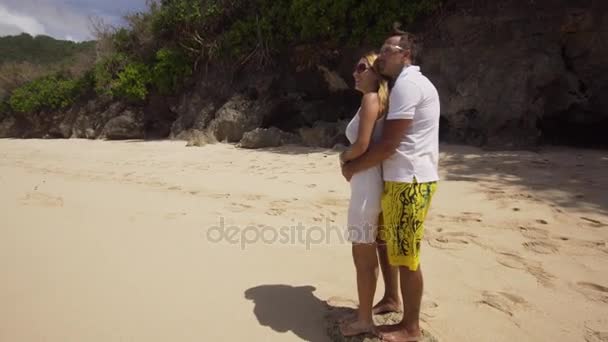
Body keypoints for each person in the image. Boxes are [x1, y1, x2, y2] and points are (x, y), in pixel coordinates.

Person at [341, 30, 440, 342]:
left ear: (406, 54)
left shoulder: (407, 86)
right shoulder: (400, 88)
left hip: (408, 180)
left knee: (405, 255)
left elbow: (387, 146)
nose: (383, 55)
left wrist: (349, 163)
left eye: (389, 50)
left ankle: (410, 328)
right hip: (396, 179)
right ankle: (392, 300)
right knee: (390, 247)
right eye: (381, 50)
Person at [337, 51, 390, 337]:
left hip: (367, 185)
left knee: (363, 255)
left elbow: (362, 145)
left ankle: (364, 319)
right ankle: (368, 311)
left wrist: (343, 159)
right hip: (372, 181)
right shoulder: (377, 99)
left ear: (376, 72)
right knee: (368, 250)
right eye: (355, 67)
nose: (355, 73)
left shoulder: (370, 99)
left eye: (362, 67)